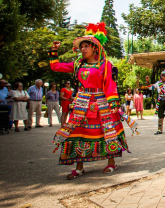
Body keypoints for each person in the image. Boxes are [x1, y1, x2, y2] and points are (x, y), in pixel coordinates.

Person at [49, 22, 129, 179]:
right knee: (78, 131)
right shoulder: (78, 64)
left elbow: (110, 84)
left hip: (101, 102)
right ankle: (79, 167)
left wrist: (113, 103)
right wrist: (53, 51)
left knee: (107, 131)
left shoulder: (105, 65)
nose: (83, 49)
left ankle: (111, 162)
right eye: (81, 46)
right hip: (82, 102)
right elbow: (56, 66)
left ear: (95, 48)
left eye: (86, 46)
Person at [146, 70, 165, 135]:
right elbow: (151, 87)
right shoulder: (158, 83)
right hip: (160, 100)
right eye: (162, 76)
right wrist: (148, 82)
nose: (163, 77)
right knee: (160, 115)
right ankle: (159, 129)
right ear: (161, 76)